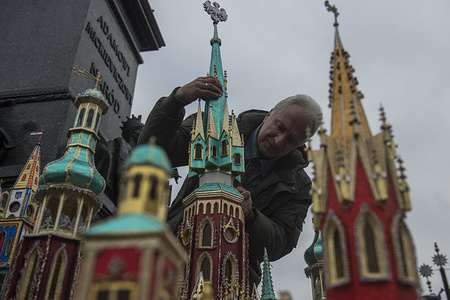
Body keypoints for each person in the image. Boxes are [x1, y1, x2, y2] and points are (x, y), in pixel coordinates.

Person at [137, 76, 322, 288]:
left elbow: (281, 244)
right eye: (279, 127)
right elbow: (152, 150)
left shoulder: (300, 185)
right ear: (269, 114)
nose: (279, 140)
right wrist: (176, 101)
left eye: (291, 140)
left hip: (233, 278)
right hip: (172, 256)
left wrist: (251, 216)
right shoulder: (213, 127)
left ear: (301, 144)